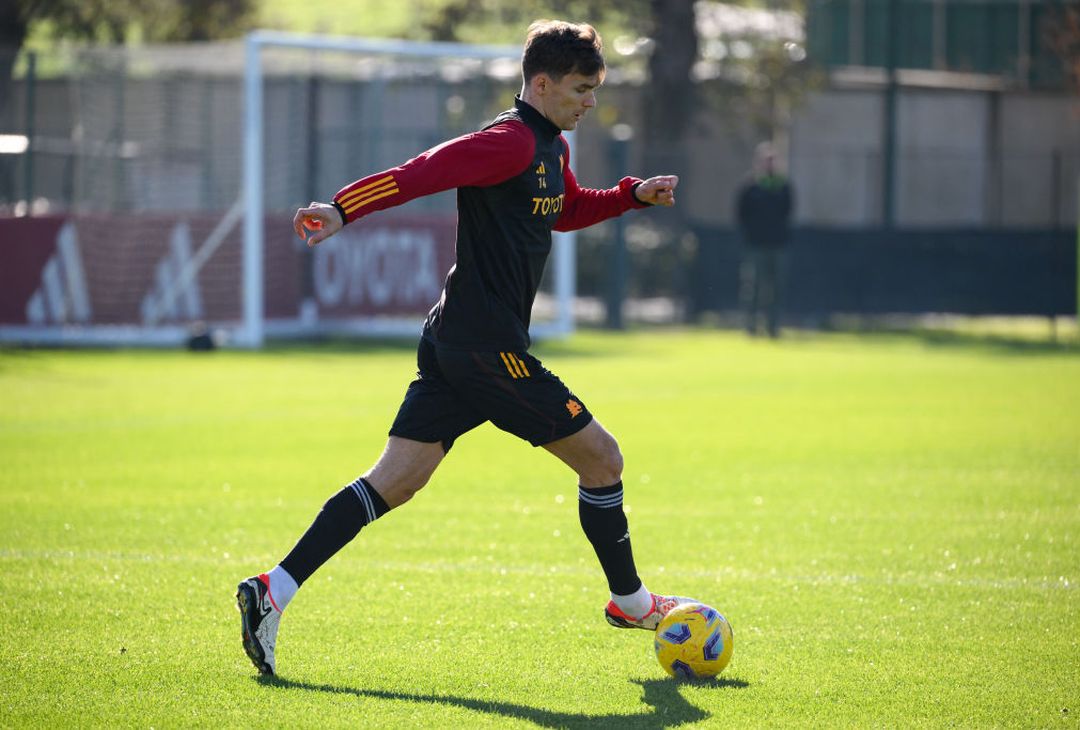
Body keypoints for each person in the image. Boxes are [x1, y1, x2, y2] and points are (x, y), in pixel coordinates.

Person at [236, 19, 696, 677]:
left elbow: (563, 210)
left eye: (594, 88)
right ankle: (630, 602)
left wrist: (631, 197)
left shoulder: (550, 147)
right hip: (485, 350)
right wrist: (342, 208)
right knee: (603, 459)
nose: (589, 101)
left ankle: (269, 591)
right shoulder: (507, 140)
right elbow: (421, 172)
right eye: (580, 88)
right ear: (541, 83)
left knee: (393, 481)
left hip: (460, 343)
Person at [736, 142, 794, 338]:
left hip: (778, 244)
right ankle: (751, 327)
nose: (769, 165)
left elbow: (788, 211)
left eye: (772, 161)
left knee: (776, 287)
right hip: (755, 244)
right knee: (753, 287)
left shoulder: (784, 186)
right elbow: (741, 214)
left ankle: (773, 327)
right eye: (766, 161)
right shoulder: (750, 186)